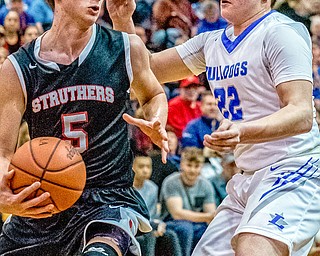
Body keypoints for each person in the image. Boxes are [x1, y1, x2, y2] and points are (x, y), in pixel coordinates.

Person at [109, 0, 320, 255]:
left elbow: (301, 114)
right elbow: (145, 72)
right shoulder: (211, 42)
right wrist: (123, 21)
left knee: (254, 248)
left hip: (293, 169)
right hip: (246, 177)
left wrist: (243, 131)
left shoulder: (280, 32)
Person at [0, 0, 169, 256]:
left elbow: (153, 94)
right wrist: (3, 193)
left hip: (108, 198)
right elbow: (3, 152)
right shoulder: (17, 68)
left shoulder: (125, 47)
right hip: (45, 198)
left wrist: (157, 120)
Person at [160, 147, 216, 256]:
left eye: (197, 166)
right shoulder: (171, 182)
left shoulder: (206, 185)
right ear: (181, 164)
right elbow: (177, 214)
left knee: (206, 230)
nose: (192, 170)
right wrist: (208, 217)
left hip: (196, 224)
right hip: (170, 222)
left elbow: (211, 216)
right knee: (185, 228)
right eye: (189, 165)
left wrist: (210, 220)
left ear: (202, 167)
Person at [167, 75, 202, 140]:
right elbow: (179, 130)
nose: (192, 91)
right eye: (187, 88)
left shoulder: (200, 106)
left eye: (195, 87)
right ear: (180, 89)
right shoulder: (173, 105)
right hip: (181, 143)